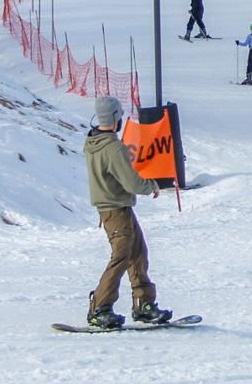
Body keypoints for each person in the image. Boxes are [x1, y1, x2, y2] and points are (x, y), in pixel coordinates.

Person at [83, 95, 170, 329]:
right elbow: (131, 182)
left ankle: (144, 304)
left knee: (138, 253)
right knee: (121, 256)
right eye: (120, 117)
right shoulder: (112, 148)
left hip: (116, 207)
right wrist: (150, 185)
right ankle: (99, 307)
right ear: (114, 119)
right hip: (114, 209)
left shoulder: (94, 142)